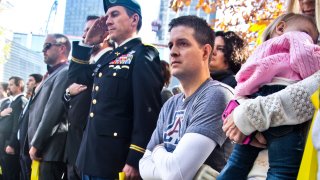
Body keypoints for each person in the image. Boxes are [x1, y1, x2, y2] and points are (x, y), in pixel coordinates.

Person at [218, 13, 320, 180]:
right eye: (308, 34)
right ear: (281, 28)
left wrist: (241, 104)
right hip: (283, 100)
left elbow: (243, 80)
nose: (311, 41)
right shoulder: (297, 38)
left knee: (236, 163)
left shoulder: (261, 51)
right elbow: (305, 60)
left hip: (255, 99)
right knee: (282, 170)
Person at [73, 0, 163, 179]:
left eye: (115, 14)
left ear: (134, 19)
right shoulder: (109, 58)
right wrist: (87, 43)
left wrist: (135, 158)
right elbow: (79, 77)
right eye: (107, 16)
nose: (107, 21)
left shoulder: (143, 54)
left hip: (116, 161)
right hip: (90, 157)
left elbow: (147, 112)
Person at [139, 15, 234, 180]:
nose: (173, 52)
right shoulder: (170, 104)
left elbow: (176, 174)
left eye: (183, 43)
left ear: (205, 52)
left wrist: (157, 150)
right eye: (170, 45)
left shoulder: (216, 95)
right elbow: (143, 167)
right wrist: (168, 167)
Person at [63, 15, 113, 180]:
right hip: (75, 148)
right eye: (85, 30)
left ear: (105, 34)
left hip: (94, 151)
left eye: (91, 30)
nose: (86, 34)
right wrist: (68, 93)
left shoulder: (112, 61)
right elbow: (72, 81)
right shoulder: (86, 62)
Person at [27, 33, 70, 180]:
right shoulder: (53, 74)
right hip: (43, 151)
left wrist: (37, 144)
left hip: (50, 151)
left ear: (62, 48)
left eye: (47, 46)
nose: (43, 50)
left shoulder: (64, 72)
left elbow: (52, 113)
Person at [0, 76, 27, 180]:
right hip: (4, 144)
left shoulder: (21, 101)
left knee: (11, 175)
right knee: (6, 174)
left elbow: (18, 125)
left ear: (19, 85)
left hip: (9, 146)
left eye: (11, 84)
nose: (9, 87)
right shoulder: (12, 101)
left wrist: (12, 144)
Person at [18, 74, 43, 180]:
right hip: (22, 147)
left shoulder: (39, 100)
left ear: (38, 83)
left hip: (30, 147)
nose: (27, 83)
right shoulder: (29, 100)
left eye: (30, 80)